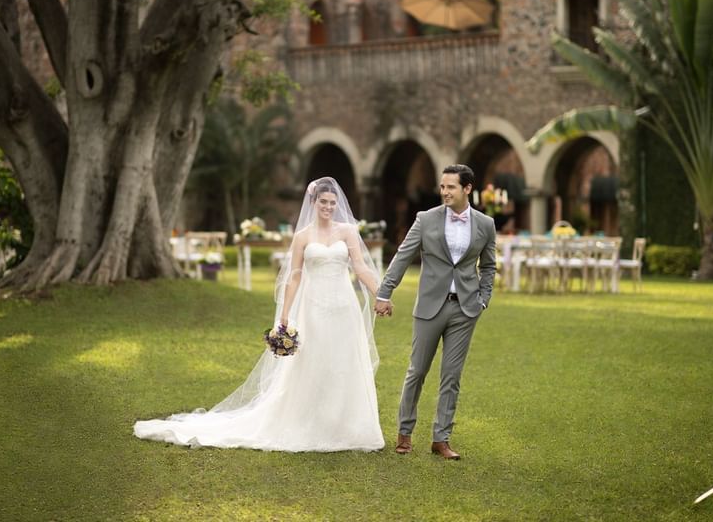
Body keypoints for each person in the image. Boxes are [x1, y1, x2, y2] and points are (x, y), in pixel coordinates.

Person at [134, 178, 384, 452]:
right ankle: (311, 424)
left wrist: (379, 295)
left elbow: (360, 268)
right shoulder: (303, 237)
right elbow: (295, 276)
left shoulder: (347, 231)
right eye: (323, 202)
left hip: (343, 307)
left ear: (338, 205)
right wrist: (285, 315)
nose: (328, 207)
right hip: (313, 308)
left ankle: (345, 427)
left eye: (332, 203)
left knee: (343, 362)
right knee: (314, 363)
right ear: (313, 203)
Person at [374, 164, 496, 460]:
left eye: (451, 187)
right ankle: (404, 433)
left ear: (467, 189)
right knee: (417, 371)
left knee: (451, 377)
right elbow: (403, 255)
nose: (444, 192)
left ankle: (441, 439)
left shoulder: (485, 224)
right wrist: (384, 292)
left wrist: (483, 299)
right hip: (430, 306)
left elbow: (489, 265)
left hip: (465, 309)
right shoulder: (425, 219)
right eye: (442, 186)